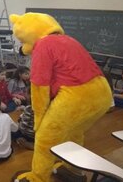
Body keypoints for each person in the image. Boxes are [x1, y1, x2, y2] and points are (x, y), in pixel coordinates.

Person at [10, 13, 112, 182]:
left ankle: (37, 178)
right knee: (74, 133)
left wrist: (39, 118)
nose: (22, 46)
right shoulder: (69, 40)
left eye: (22, 41)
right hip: (103, 93)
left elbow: (39, 86)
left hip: (77, 97)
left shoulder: (43, 45)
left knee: (44, 138)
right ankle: (73, 171)